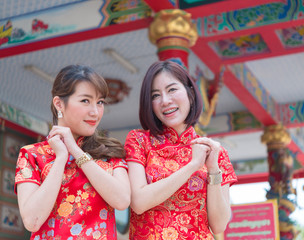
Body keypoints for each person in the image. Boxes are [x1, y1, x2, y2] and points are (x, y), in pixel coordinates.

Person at [15, 64, 131, 239]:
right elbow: (32, 221)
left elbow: (122, 201)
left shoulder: (110, 153)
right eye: (85, 101)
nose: (95, 112)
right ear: (59, 103)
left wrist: (76, 152)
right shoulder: (32, 155)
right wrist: (61, 157)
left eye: (99, 102)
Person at [124, 60, 237, 239]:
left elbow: (219, 225)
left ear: (190, 92)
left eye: (172, 90)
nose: (165, 101)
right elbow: (139, 202)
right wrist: (193, 165)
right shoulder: (139, 140)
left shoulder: (214, 151)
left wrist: (213, 169)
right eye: (155, 95)